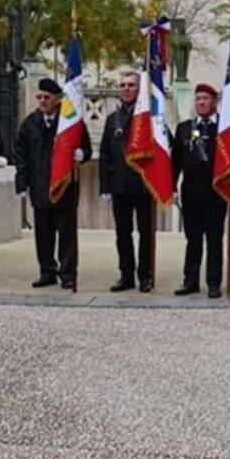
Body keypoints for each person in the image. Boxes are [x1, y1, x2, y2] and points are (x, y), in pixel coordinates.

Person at [13, 78, 87, 289]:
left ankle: (67, 273)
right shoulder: (29, 124)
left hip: (64, 187)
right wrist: (22, 185)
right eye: (40, 97)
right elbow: (21, 157)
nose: (43, 101)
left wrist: (82, 154)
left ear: (57, 100)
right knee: (43, 234)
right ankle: (47, 271)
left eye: (47, 97)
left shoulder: (71, 122)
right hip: (40, 185)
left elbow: (86, 149)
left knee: (66, 233)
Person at [99, 70, 152, 292]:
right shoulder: (113, 119)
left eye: (131, 85)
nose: (126, 88)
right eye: (123, 85)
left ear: (139, 89)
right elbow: (105, 155)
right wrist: (105, 187)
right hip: (120, 185)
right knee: (122, 234)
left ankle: (145, 275)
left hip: (143, 185)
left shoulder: (148, 118)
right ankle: (126, 275)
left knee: (146, 233)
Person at [172, 84, 227, 298]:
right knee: (193, 240)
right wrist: (172, 187)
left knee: (214, 240)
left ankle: (214, 282)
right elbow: (176, 161)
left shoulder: (225, 127)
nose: (201, 103)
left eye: (205, 99)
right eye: (198, 99)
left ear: (215, 102)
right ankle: (191, 280)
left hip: (216, 194)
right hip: (191, 194)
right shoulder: (186, 128)